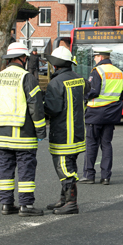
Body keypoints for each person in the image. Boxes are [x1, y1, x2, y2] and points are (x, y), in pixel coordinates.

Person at [0, 42, 46, 216]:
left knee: (5, 169)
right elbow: (35, 106)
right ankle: (26, 206)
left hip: (0, 133)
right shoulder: (27, 77)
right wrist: (41, 131)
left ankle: (6, 204)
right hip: (23, 133)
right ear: (23, 58)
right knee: (25, 168)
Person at [44, 46, 86, 214]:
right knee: (70, 165)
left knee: (64, 168)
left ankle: (71, 202)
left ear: (55, 65)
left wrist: (43, 105)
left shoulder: (56, 82)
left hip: (62, 135)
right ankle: (63, 199)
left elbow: (52, 109)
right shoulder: (80, 79)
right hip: (77, 134)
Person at [80, 47, 123, 185]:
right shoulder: (119, 72)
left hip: (95, 113)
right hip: (112, 114)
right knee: (106, 144)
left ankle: (89, 174)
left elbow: (92, 91)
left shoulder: (97, 71)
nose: (94, 59)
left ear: (100, 57)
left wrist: (83, 97)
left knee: (91, 143)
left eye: (95, 57)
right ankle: (106, 176)